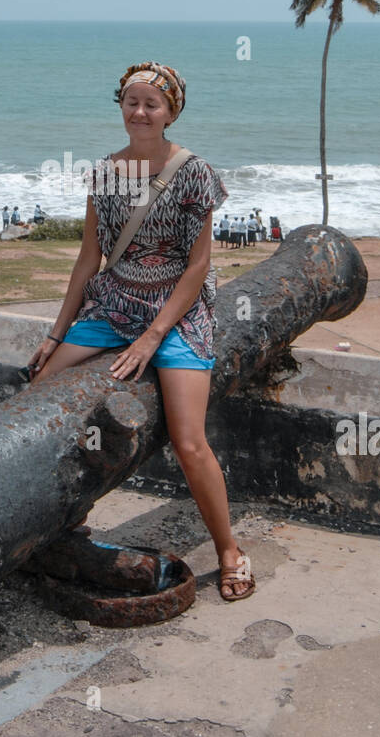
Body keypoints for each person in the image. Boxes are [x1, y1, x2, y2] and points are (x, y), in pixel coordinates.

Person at [27, 59, 253, 602]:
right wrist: (57, 335)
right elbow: (89, 258)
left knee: (189, 440)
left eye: (152, 103)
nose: (140, 112)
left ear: (171, 111)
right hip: (114, 301)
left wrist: (153, 337)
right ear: (121, 106)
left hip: (175, 309)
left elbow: (198, 266)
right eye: (132, 101)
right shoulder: (105, 172)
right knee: (39, 392)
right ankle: (68, 516)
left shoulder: (194, 173)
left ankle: (228, 549)